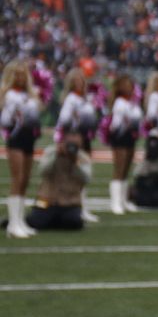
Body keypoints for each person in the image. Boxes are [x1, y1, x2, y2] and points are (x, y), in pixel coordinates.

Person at [2, 60, 43, 238]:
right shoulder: (8, 94)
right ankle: (12, 223)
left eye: (23, 74)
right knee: (17, 179)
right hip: (15, 138)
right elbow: (4, 121)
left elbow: (36, 116)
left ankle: (20, 220)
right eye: (17, 74)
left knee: (26, 179)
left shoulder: (30, 95)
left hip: (29, 138)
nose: (20, 77)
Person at [57, 66, 101, 223]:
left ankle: (82, 207)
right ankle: (75, 208)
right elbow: (63, 120)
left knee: (84, 173)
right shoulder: (71, 99)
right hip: (75, 139)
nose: (80, 84)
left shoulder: (85, 99)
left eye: (82, 81)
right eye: (76, 81)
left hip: (85, 138)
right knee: (76, 173)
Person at [25, 136, 92, 231]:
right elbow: (42, 172)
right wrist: (56, 156)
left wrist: (74, 162)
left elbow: (86, 179)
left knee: (74, 223)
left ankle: (53, 220)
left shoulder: (82, 157)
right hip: (45, 200)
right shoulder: (51, 152)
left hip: (70, 203)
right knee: (36, 222)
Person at [107, 74, 143, 215]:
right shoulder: (119, 102)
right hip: (120, 137)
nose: (130, 87)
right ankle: (115, 202)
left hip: (130, 137)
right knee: (119, 169)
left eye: (131, 85)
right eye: (127, 85)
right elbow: (114, 125)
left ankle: (124, 201)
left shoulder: (132, 103)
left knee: (127, 169)